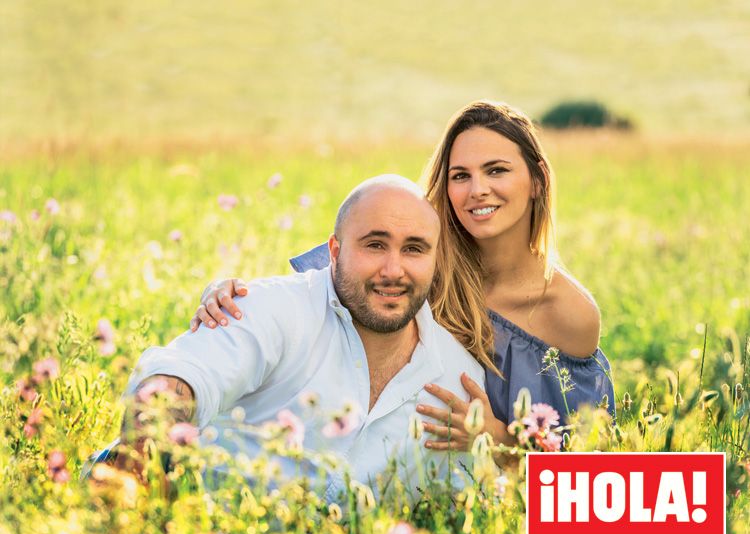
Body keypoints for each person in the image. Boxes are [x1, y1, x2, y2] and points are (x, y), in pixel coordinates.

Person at [191, 101, 614, 450]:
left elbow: (582, 474)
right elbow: (327, 284)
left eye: (497, 170)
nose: (477, 190)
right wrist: (233, 292)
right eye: (460, 175)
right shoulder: (419, 255)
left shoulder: (569, 314)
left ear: (537, 180)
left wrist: (494, 435)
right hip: (382, 465)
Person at [97, 174, 489, 499]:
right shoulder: (270, 308)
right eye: (375, 245)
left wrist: (507, 448)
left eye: (414, 250)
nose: (393, 269)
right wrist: (138, 472)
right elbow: (179, 378)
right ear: (333, 250)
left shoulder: (460, 383)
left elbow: (521, 509)